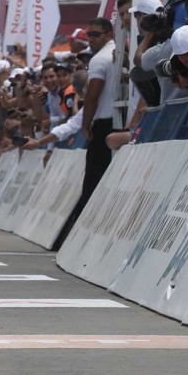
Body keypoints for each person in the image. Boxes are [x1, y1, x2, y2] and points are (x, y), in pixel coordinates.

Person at [58, 17, 118, 248]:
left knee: (93, 179)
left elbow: (92, 95)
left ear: (108, 34)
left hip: (103, 122)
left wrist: (85, 124)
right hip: (116, 121)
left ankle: (81, 234)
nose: (91, 39)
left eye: (95, 35)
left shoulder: (100, 59)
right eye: (89, 35)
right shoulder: (117, 55)